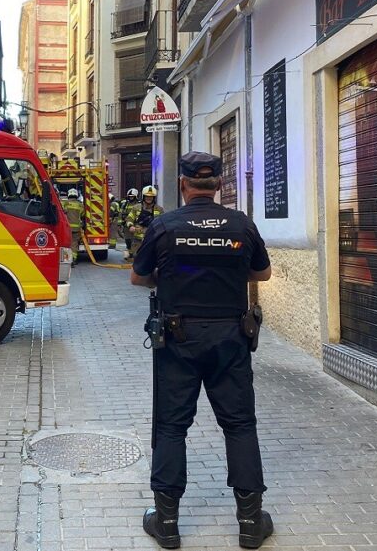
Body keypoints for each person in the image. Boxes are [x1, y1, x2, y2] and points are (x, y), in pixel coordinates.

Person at [130, 151, 273, 550]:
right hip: (231, 338)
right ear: (219, 185)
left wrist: (175, 275)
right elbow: (262, 272)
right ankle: (249, 524)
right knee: (240, 425)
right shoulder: (241, 225)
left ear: (183, 184)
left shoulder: (164, 225)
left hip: (178, 339)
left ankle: (167, 523)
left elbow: (138, 277)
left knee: (172, 426)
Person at [125, 185, 163, 261]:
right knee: (137, 259)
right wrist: (130, 226)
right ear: (143, 196)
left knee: (151, 260)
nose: (149, 198)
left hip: (152, 240)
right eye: (147, 196)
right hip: (138, 240)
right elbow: (129, 218)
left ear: (154, 198)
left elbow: (163, 223)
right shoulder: (136, 208)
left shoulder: (159, 209)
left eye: (151, 197)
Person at [63, 187, 84, 266]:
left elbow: (62, 213)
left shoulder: (66, 203)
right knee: (74, 243)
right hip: (76, 228)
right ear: (76, 195)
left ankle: (66, 259)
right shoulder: (80, 205)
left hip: (67, 228)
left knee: (66, 244)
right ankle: (73, 259)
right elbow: (82, 214)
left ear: (69, 195)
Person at [120, 188, 139, 256]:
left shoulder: (139, 204)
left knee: (136, 240)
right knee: (128, 240)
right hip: (126, 225)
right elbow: (121, 214)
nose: (131, 197)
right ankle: (130, 252)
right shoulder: (125, 204)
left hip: (136, 225)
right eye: (130, 196)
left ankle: (135, 253)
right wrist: (120, 223)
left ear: (136, 196)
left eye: (132, 196)